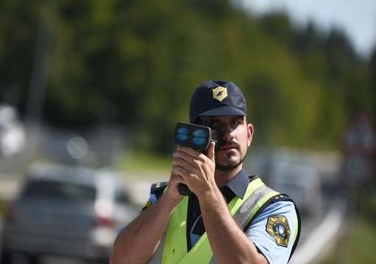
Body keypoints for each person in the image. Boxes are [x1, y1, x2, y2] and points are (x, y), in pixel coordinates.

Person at [110, 80, 300, 264]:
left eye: (235, 123)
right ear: (194, 136)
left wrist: (207, 192)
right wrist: (169, 200)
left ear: (249, 134)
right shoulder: (165, 197)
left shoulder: (274, 207)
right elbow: (120, 260)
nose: (229, 134)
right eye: (216, 126)